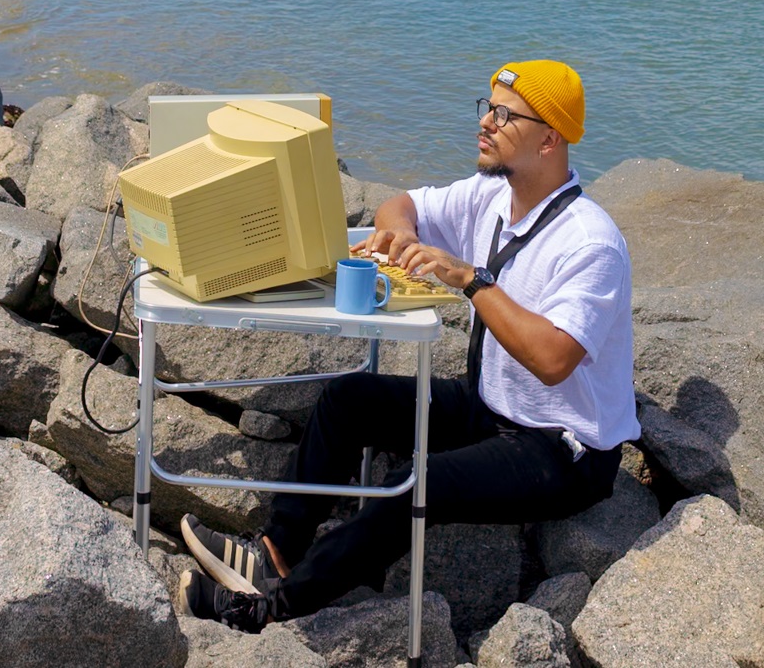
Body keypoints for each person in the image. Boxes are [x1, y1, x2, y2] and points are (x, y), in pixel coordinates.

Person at [177, 59, 639, 632]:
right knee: (350, 399)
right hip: (491, 406)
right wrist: (402, 236)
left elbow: (552, 359)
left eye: (504, 114)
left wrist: (468, 277)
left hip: (563, 447)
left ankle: (266, 610)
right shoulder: (490, 197)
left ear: (550, 139)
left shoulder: (591, 241)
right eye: (487, 108)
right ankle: (275, 551)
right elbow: (400, 206)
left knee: (421, 485)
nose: (486, 123)